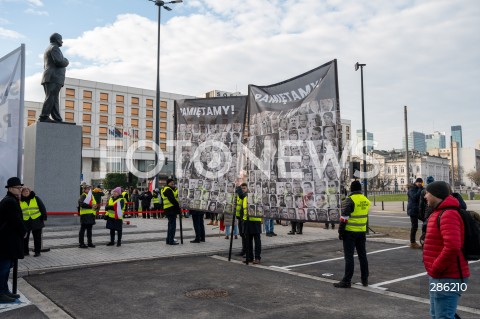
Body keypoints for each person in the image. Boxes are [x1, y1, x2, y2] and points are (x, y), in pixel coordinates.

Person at [422, 181, 470, 319]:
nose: (425, 196)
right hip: (441, 275)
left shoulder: (448, 214)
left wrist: (436, 267)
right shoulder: (439, 212)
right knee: (437, 314)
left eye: (428, 193)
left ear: (436, 195)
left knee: (443, 316)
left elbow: (453, 246)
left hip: (448, 276)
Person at [334, 180, 370, 288]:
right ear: (360, 189)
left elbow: (344, 218)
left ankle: (347, 280)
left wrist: (340, 232)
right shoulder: (366, 200)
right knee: (362, 256)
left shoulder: (349, 200)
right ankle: (365, 279)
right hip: (362, 232)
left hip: (350, 232)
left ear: (351, 189)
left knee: (349, 257)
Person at [0, 177, 26, 303]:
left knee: (7, 266)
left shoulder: (11, 200)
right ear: (10, 189)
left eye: (20, 187)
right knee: (3, 268)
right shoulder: (10, 201)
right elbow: (16, 220)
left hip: (8, 240)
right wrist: (24, 231)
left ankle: (4, 291)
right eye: (18, 188)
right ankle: (1, 293)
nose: (20, 189)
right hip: (6, 241)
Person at [39, 33, 69, 122]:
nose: (62, 41)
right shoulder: (54, 48)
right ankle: (44, 116)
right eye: (61, 39)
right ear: (56, 40)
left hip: (50, 77)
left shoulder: (49, 48)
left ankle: (57, 118)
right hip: (54, 77)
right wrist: (66, 61)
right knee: (51, 97)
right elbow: (59, 62)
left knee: (54, 98)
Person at [20, 187, 47, 257]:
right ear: (22, 193)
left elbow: (42, 207)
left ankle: (37, 252)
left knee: (37, 237)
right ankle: (25, 252)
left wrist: (44, 217)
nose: (25, 192)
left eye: (27, 191)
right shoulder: (20, 201)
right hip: (25, 221)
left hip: (36, 220)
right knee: (25, 238)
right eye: (24, 192)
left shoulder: (36, 198)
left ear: (29, 192)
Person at [241, 183, 262, 264]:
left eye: (254, 186)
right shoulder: (245, 196)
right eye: (251, 186)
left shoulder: (257, 195)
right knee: (248, 240)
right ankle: (249, 257)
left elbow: (258, 205)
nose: (252, 188)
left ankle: (257, 257)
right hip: (247, 220)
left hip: (255, 220)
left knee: (257, 240)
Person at [161, 179, 181, 245]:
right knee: (172, 226)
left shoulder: (165, 189)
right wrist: (178, 207)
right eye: (171, 183)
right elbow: (172, 199)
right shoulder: (168, 190)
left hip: (167, 209)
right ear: (168, 183)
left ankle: (168, 240)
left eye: (173, 183)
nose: (173, 184)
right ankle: (171, 240)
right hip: (171, 209)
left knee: (170, 225)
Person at [407, 177, 424, 249]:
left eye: (421, 182)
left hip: (418, 210)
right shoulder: (411, 189)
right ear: (415, 182)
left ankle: (424, 239)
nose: (419, 183)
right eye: (418, 182)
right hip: (413, 210)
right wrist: (420, 189)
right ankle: (412, 242)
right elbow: (415, 197)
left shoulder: (421, 189)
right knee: (414, 226)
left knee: (427, 221)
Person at [235, 182, 248, 256]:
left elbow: (241, 195)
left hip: (245, 218)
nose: (243, 189)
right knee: (242, 235)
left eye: (244, 188)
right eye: (242, 188)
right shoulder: (240, 196)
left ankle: (247, 251)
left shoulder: (246, 195)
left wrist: (238, 187)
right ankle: (243, 250)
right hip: (240, 217)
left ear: (247, 189)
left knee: (245, 235)